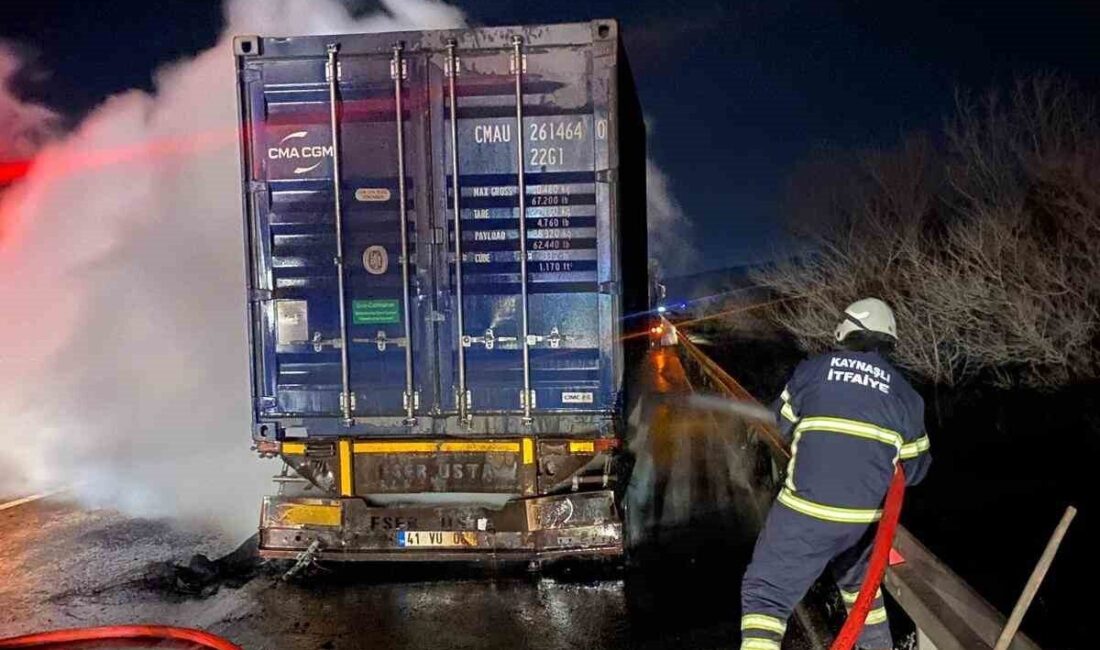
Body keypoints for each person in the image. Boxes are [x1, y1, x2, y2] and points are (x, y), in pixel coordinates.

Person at [739, 298, 932, 650]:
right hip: (863, 524)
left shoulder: (812, 371)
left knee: (766, 594)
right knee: (863, 599)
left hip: (805, 516)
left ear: (846, 329)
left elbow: (780, 426)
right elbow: (916, 469)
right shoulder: (907, 396)